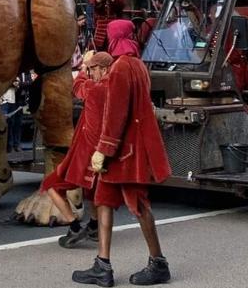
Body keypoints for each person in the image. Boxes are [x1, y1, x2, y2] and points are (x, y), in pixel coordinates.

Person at [72, 28, 171, 287]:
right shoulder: (137, 64)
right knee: (104, 199)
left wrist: (103, 149)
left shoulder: (121, 68)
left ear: (114, 38)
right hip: (127, 148)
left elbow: (115, 114)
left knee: (138, 205)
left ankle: (158, 263)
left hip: (124, 152)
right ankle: (102, 265)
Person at [44, 51, 112, 248]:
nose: (91, 72)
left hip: (85, 152)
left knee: (51, 185)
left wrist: (82, 69)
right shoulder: (116, 88)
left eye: (93, 68)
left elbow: (77, 88)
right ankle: (93, 225)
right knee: (94, 191)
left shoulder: (94, 88)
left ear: (103, 69)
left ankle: (74, 226)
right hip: (103, 150)